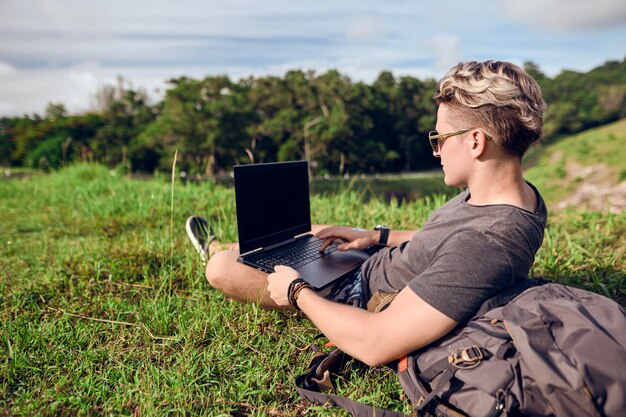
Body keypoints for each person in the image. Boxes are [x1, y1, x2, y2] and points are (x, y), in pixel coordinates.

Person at [186, 60, 548, 367]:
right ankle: (234, 245)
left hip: (358, 290)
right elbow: (444, 241)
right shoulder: (513, 194)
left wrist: (297, 291)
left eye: (439, 139)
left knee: (220, 268)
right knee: (307, 233)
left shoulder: (487, 244)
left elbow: (376, 343)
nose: (436, 152)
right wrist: (378, 236)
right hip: (373, 257)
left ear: (475, 141)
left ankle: (219, 249)